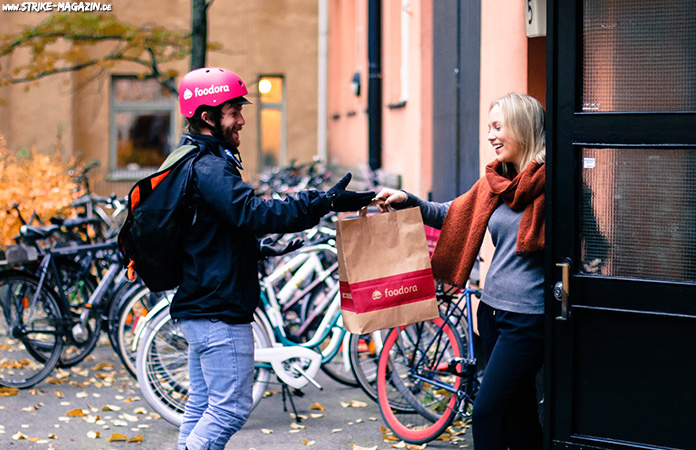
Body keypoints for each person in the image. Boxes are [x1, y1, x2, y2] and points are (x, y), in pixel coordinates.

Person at [172, 67, 375, 450]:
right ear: (207, 116)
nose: (242, 120)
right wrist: (323, 202)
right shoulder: (210, 166)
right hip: (218, 309)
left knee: (202, 407)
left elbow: (209, 234)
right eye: (233, 111)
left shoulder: (191, 160)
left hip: (199, 304)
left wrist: (257, 249)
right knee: (229, 410)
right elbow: (255, 214)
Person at [375, 92, 546, 450]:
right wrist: (409, 200)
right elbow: (451, 213)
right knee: (519, 414)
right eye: (489, 128)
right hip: (493, 312)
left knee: (486, 412)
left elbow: (591, 241)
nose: (490, 136)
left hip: (528, 319)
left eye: (498, 127)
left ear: (523, 128)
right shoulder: (496, 183)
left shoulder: (554, 185)